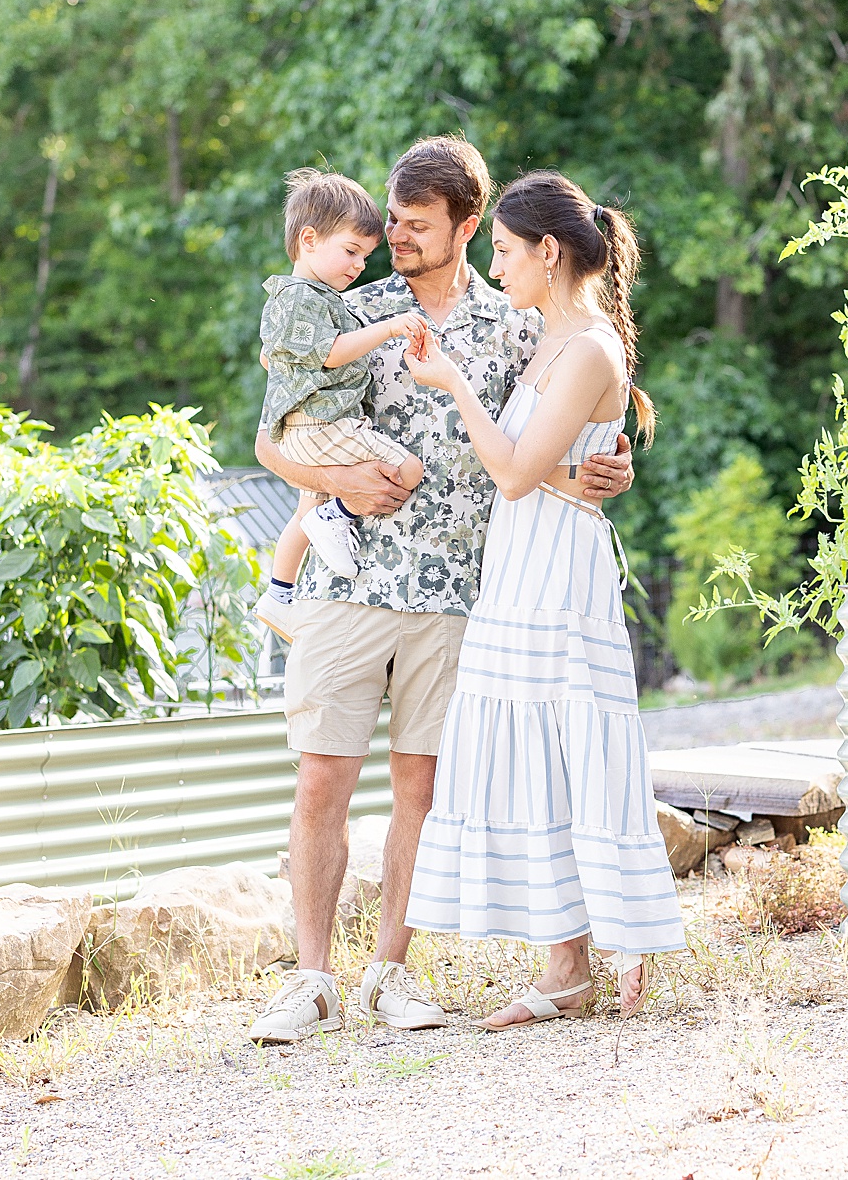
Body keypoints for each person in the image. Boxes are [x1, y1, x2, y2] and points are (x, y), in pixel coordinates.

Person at [245, 138, 634, 1045]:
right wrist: (338, 484)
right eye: (391, 224)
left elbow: (556, 422)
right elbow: (272, 441)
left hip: (463, 590)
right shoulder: (346, 310)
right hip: (350, 582)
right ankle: (311, 980)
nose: (393, 240)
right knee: (320, 779)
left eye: (418, 227)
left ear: (469, 224)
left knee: (420, 787)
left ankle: (391, 972)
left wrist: (604, 466)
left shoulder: (516, 324)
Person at [402, 170, 684, 1028]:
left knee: (575, 746)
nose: (499, 263)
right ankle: (566, 965)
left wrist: (452, 386)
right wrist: (581, 472)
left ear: (549, 251)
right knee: (538, 755)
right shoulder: (545, 336)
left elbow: (517, 472)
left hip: (558, 570)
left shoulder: (591, 344)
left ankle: (617, 939)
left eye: (507, 249)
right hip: (523, 560)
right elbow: (545, 464)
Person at [253, 168, 427, 642]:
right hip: (322, 425)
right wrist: (390, 328)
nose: (357, 267)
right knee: (408, 470)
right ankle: (340, 515)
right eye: (350, 251)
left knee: (302, 514)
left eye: (364, 257)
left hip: (308, 428)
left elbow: (275, 356)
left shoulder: (308, 298)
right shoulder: (300, 297)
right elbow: (330, 352)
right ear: (308, 239)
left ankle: (278, 594)